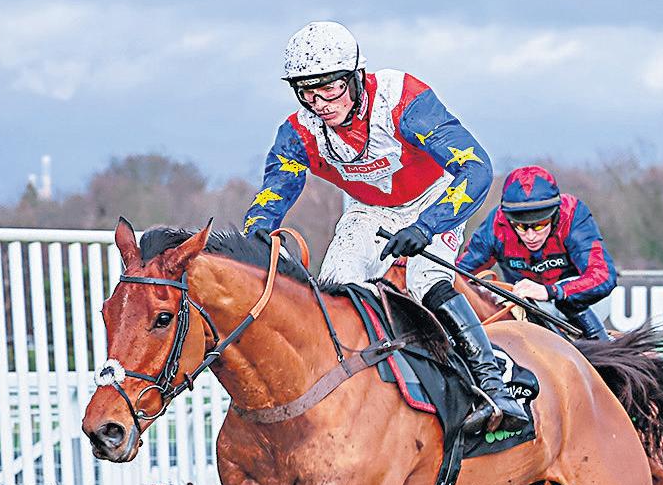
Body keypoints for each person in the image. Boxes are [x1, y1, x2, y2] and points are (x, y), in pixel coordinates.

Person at [242, 21, 528, 434]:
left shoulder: (403, 100)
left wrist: (428, 226)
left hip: (434, 198)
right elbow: (274, 193)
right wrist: (256, 233)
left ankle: (493, 385)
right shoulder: (298, 132)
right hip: (370, 209)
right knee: (335, 285)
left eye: (330, 88)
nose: (320, 103)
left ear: (356, 76)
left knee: (425, 279)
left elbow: (477, 167)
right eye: (307, 92)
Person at [458, 166, 617, 340]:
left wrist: (552, 291)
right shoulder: (496, 224)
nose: (531, 236)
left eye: (540, 225)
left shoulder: (572, 214)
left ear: (555, 215)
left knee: (564, 304)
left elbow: (603, 276)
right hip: (526, 304)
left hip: (584, 300)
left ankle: (602, 347)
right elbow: (459, 274)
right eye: (520, 226)